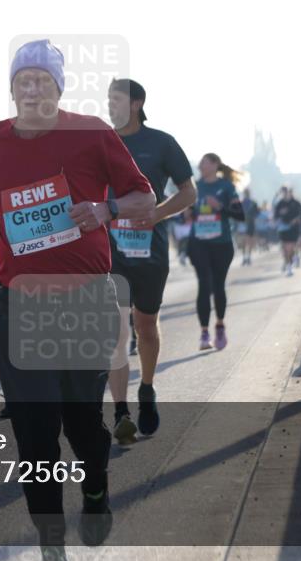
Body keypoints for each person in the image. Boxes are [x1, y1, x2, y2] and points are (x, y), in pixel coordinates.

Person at [0, 39, 155, 557]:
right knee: (33, 428)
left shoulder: (91, 133)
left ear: (58, 87)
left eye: (42, 79)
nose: (31, 87)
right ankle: (51, 542)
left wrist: (105, 209)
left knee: (81, 423)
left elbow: (144, 197)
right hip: (20, 302)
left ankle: (95, 491)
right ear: (11, 89)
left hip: (84, 301)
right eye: (22, 79)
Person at [103, 78, 195, 445]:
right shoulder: (99, 142)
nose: (110, 105)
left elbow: (189, 192)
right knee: (114, 330)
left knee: (146, 326)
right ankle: (122, 412)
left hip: (150, 251)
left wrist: (156, 215)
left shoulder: (161, 143)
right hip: (109, 251)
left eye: (117, 99)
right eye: (107, 99)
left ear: (137, 103)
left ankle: (147, 387)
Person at [188, 153, 244, 351]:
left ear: (214, 165)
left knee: (218, 285)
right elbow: (187, 214)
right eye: (200, 161)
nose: (200, 164)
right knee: (204, 284)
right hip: (198, 243)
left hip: (221, 244)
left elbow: (240, 215)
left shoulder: (226, 186)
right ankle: (204, 333)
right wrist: (187, 213)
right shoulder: (194, 186)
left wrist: (219, 207)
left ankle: (219, 325)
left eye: (204, 161)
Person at [274, 186, 301, 277]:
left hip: (294, 228)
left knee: (291, 248)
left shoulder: (297, 203)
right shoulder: (279, 204)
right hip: (283, 228)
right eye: (283, 192)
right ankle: (289, 267)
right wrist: (277, 220)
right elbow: (276, 216)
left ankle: (293, 258)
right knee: (285, 248)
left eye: (287, 192)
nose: (285, 194)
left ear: (290, 192)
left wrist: (296, 220)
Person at [240, 188, 259, 266]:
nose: (247, 194)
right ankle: (245, 257)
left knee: (249, 241)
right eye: (245, 192)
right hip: (242, 224)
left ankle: (248, 257)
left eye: (247, 192)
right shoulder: (240, 203)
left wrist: (252, 217)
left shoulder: (253, 203)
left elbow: (257, 213)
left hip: (250, 224)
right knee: (243, 242)